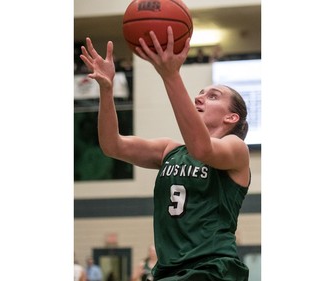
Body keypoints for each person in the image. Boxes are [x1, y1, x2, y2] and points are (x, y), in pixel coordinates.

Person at [80, 26, 250, 280]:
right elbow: (112, 145)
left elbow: (202, 148)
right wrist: (107, 90)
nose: (200, 98)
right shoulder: (170, 150)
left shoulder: (235, 149)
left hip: (211, 269)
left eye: (213, 96)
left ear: (231, 117)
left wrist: (171, 75)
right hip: (169, 271)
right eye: (200, 94)